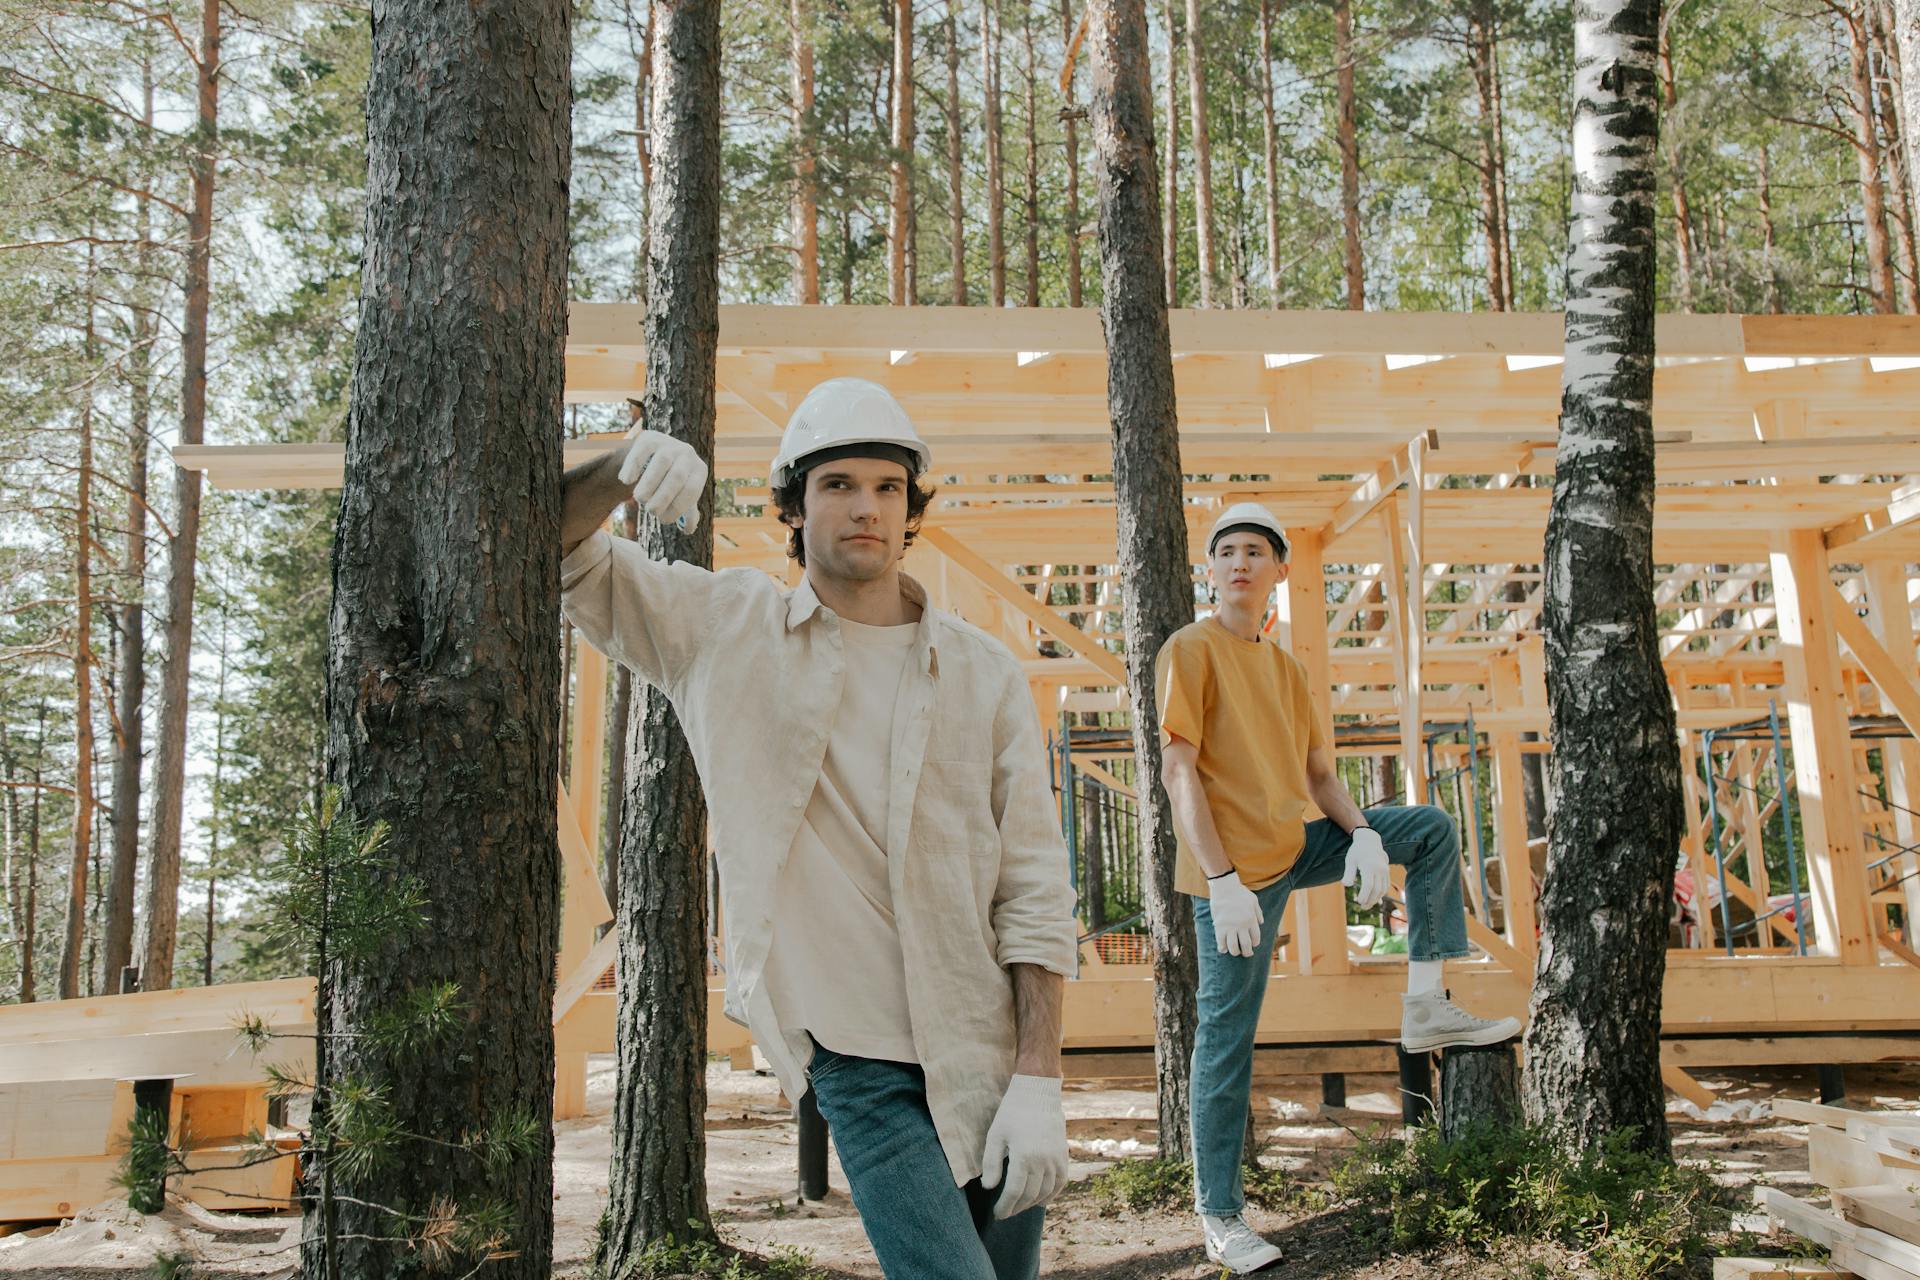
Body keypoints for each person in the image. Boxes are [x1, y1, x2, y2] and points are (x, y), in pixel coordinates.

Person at [558, 377, 1078, 1280]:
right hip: (855, 1056)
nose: (865, 508)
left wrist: (1040, 1076)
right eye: (837, 485)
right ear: (794, 506)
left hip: (984, 1048)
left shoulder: (985, 674)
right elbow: (560, 553)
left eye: (886, 488)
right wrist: (620, 469)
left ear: (913, 508)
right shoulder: (723, 629)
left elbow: (1033, 885)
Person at [1157, 501, 1521, 1275]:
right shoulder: (1190, 649)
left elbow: (1319, 774)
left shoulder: (1287, 669)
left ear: (1279, 571)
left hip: (1293, 848)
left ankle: (1426, 1004)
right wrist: (1219, 880)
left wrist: (1358, 832)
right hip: (1233, 880)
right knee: (1225, 1037)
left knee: (1424, 830)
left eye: (1256, 550)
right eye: (1226, 551)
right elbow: (1176, 769)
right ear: (1212, 570)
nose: (1240, 562)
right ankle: (1219, 1217)